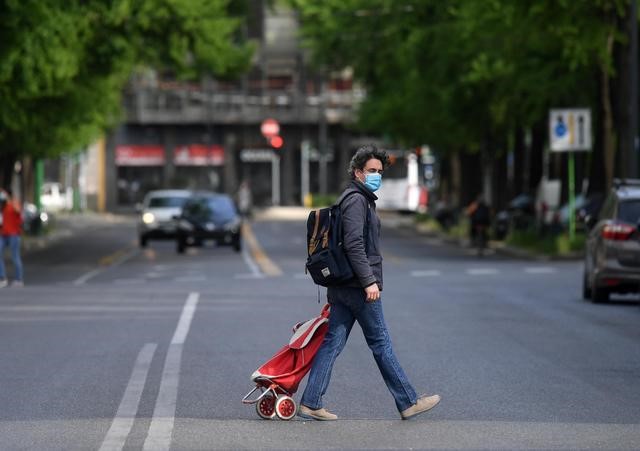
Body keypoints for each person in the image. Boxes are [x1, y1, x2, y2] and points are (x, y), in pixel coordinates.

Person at [298, 145, 441, 421]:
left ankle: (311, 401)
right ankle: (408, 400)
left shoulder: (357, 198)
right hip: (357, 287)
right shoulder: (356, 201)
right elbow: (353, 244)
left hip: (344, 287)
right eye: (372, 171)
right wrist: (369, 282)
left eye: (379, 171)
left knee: (332, 343)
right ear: (358, 172)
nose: (377, 175)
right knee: (381, 342)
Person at [0, 188, 24, 287]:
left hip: (14, 234)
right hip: (3, 234)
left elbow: (19, 211)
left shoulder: (14, 203)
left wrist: (12, 202)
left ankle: (19, 279)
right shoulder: (2, 206)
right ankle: (2, 278)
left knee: (15, 257)